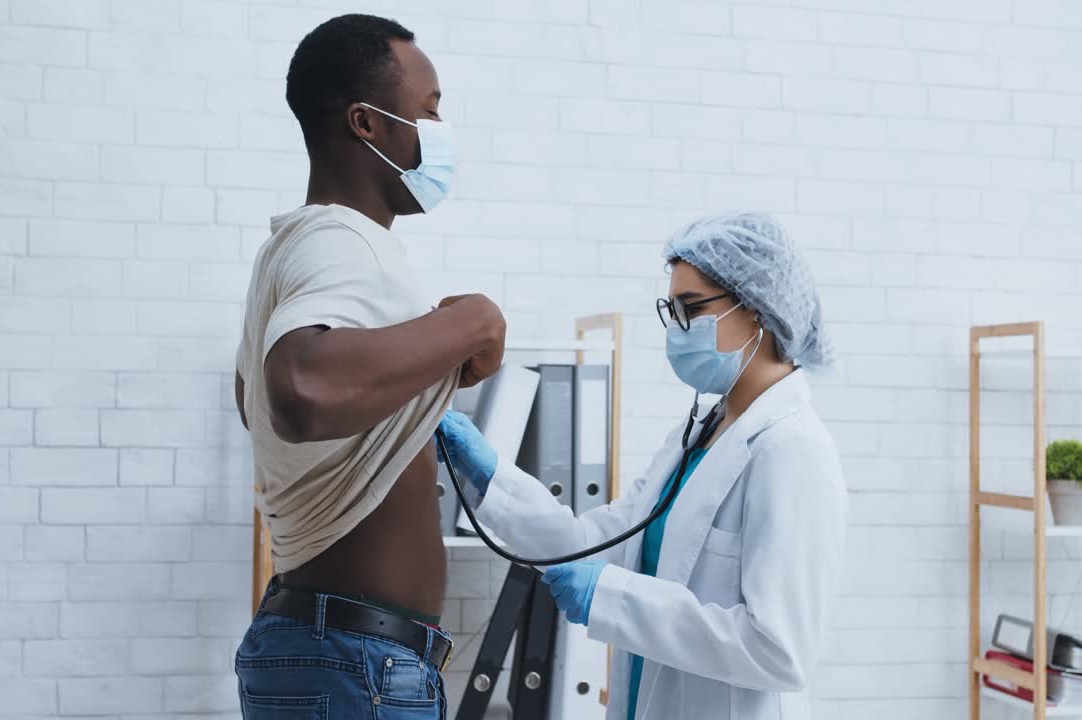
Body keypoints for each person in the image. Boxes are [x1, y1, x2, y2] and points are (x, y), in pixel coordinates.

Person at [439, 212, 847, 720]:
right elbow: (595, 539)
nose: (677, 329)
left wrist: (611, 598)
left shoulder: (792, 448)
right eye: (671, 310)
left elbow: (780, 649)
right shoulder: (699, 432)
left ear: (759, 309)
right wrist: (489, 475)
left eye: (692, 309)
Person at [232, 14, 504, 719]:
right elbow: (300, 388)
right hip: (356, 661)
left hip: (334, 650)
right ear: (367, 123)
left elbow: (253, 399)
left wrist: (423, 366)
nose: (440, 127)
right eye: (429, 107)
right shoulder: (342, 240)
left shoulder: (291, 250)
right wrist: (467, 322)